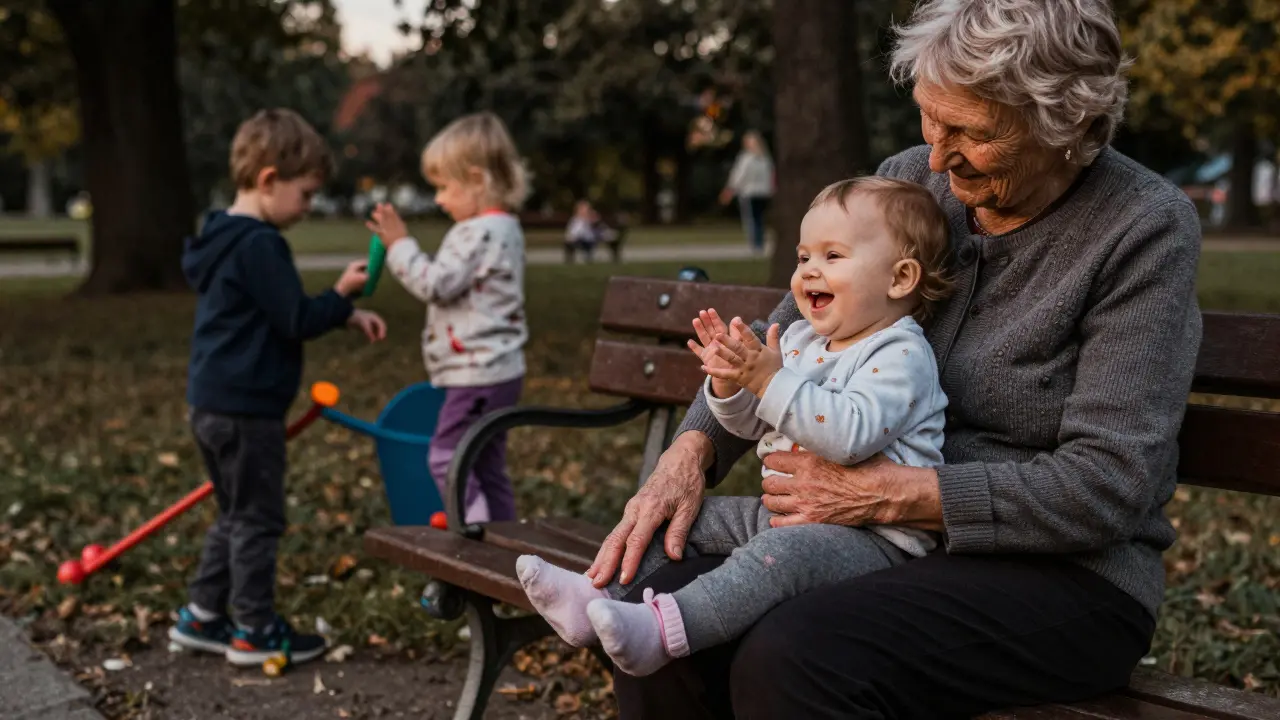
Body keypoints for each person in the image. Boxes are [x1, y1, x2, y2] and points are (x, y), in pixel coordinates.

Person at [592, 0, 1204, 717]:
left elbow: (1107, 485)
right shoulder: (913, 179)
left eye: (969, 132)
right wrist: (688, 454)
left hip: (1065, 575)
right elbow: (785, 340)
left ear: (1064, 126)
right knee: (653, 603)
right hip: (876, 541)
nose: (938, 157)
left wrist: (895, 494)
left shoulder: (1141, 227)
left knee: (797, 653)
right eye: (929, 117)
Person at [517, 177, 953, 677]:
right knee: (684, 523)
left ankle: (663, 632)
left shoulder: (900, 355)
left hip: (876, 540)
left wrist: (768, 378)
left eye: (833, 257)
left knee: (774, 559)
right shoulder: (802, 341)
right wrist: (731, 388)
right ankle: (593, 596)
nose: (810, 270)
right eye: (803, 256)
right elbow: (752, 422)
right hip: (787, 516)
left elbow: (849, 437)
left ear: (899, 278)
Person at [170, 109, 387, 667]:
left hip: (210, 405)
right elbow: (295, 319)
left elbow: (276, 313)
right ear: (269, 180)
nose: (309, 206)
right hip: (247, 412)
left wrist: (343, 313)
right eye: (306, 193)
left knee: (233, 512)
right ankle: (254, 629)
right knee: (257, 519)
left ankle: (203, 614)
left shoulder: (222, 235)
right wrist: (341, 295)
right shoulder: (261, 244)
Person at [365, 112, 529, 524]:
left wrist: (400, 244)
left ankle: (473, 534)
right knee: (488, 465)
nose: (438, 199)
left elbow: (434, 284)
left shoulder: (475, 232)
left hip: (476, 374)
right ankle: (506, 539)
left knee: (445, 456)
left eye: (443, 187)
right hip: (503, 372)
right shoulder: (508, 227)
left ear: (476, 179)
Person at [720, 131, 774, 254]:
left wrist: (730, 189)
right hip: (763, 192)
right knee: (759, 219)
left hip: (749, 193)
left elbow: (739, 175)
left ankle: (755, 244)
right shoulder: (765, 158)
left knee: (751, 219)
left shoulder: (746, 158)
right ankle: (759, 243)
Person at [564, 199, 619, 264]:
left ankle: (615, 257)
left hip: (592, 239)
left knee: (612, 239)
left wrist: (595, 221)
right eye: (583, 209)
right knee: (572, 243)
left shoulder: (592, 219)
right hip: (581, 240)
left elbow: (601, 230)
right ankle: (572, 259)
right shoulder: (576, 220)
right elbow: (573, 233)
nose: (586, 211)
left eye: (588, 209)